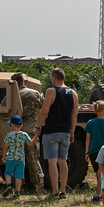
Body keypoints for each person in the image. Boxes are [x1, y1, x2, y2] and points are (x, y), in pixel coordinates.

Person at [34, 68, 78, 199]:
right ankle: (63, 190)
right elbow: (74, 115)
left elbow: (44, 111)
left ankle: (54, 191)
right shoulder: (73, 93)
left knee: (52, 162)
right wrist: (72, 131)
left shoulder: (51, 91)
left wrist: (38, 125)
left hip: (51, 131)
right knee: (63, 161)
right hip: (65, 131)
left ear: (54, 77)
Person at [13, 72, 45, 193]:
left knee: (18, 161)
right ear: (23, 81)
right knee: (34, 161)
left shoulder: (12, 95)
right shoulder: (35, 93)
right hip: (31, 131)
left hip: (17, 132)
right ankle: (39, 187)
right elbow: (44, 106)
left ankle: (20, 187)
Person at [84, 100, 104, 202]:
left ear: (94, 111)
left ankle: (98, 193)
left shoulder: (90, 123)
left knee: (98, 173)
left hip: (93, 151)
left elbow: (88, 139)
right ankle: (103, 192)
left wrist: (86, 152)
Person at [1, 115, 33, 199]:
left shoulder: (9, 135)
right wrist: (36, 135)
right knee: (19, 176)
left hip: (10, 157)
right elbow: (30, 143)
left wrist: (3, 156)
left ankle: (8, 185)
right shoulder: (24, 135)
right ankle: (17, 192)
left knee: (8, 173)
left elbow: (5, 146)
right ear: (21, 125)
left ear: (13, 125)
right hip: (20, 159)